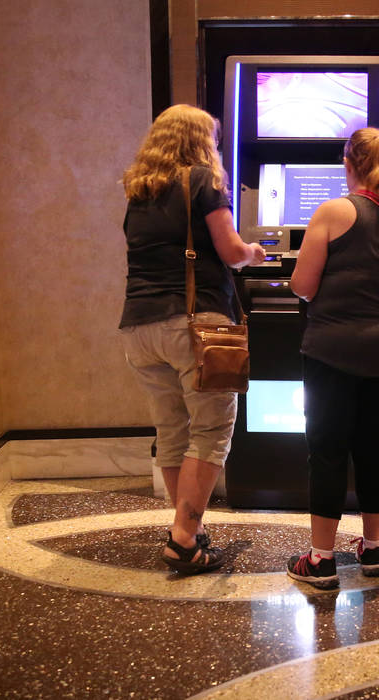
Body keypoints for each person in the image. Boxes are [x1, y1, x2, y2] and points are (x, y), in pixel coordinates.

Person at [119, 104, 265, 574]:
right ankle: (183, 539)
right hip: (195, 326)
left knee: (171, 432)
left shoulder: (139, 191)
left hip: (139, 328)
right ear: (201, 140)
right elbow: (231, 250)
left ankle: (191, 530)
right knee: (211, 430)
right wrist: (255, 252)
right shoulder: (203, 180)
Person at [286, 127, 379, 589]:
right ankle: (371, 551)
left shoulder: (332, 211)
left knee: (328, 449)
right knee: (376, 447)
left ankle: (322, 559)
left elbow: (302, 285)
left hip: (335, 346)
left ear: (348, 165)